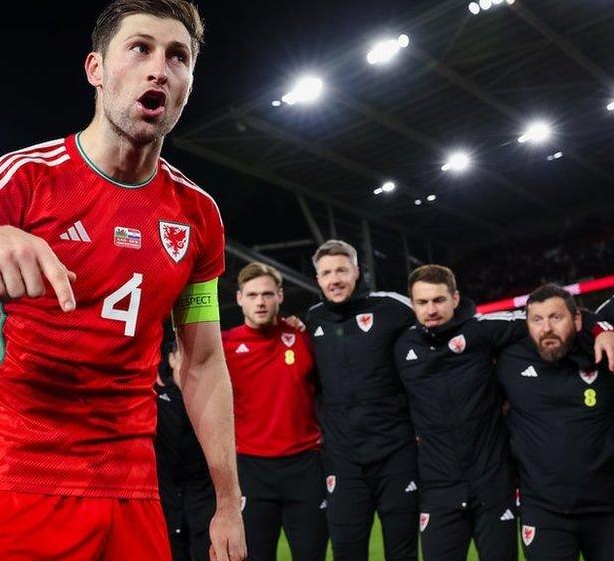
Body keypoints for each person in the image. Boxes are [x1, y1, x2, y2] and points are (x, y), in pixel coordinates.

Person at [0, 0, 245, 560]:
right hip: (19, 475)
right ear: (95, 68)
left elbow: (203, 362)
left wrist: (228, 503)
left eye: (178, 57)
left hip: (132, 488)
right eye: (139, 48)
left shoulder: (197, 216)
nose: (159, 68)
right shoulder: (18, 180)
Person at [393, 266, 614, 561]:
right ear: (412, 304)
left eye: (438, 300)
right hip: (440, 488)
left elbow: (557, 313)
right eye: (422, 302)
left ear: (455, 298)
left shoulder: (485, 331)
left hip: (495, 486)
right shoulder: (401, 347)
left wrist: (602, 329)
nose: (431, 309)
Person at [304, 239, 418, 561]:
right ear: (318, 280)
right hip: (343, 459)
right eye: (326, 273)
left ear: (357, 271)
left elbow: (437, 321)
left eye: (342, 269)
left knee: (402, 552)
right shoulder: (312, 321)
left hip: (396, 454)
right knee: (346, 552)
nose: (335, 279)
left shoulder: (393, 307)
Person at [496, 284, 614, 561]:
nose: (546, 328)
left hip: (610, 510)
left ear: (577, 320)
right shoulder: (509, 359)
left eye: (556, 317)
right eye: (537, 320)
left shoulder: (606, 354)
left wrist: (604, 330)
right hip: (544, 513)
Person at [222, 262, 327, 561]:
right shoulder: (225, 345)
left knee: (311, 555)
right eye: (252, 294)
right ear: (240, 298)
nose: (260, 301)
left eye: (267, 294)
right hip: (251, 470)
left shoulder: (302, 338)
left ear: (280, 295)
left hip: (305, 466)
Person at [155, 336, 216, 561]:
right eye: (184, 354)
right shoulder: (154, 398)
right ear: (171, 359)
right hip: (166, 505)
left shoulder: (214, 400)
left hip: (204, 505)